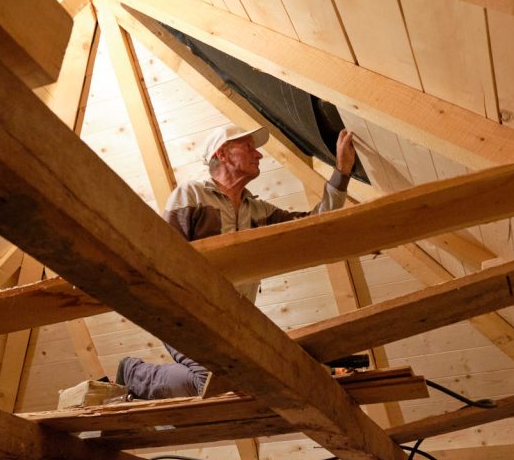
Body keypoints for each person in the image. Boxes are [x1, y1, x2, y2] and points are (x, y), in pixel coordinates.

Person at [116, 123, 356, 400]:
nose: (259, 155)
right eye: (249, 147)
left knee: (243, 379)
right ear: (223, 154)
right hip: (182, 314)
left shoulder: (259, 212)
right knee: (211, 379)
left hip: (231, 324)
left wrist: (342, 172)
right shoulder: (191, 195)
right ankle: (134, 373)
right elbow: (162, 259)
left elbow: (312, 225)